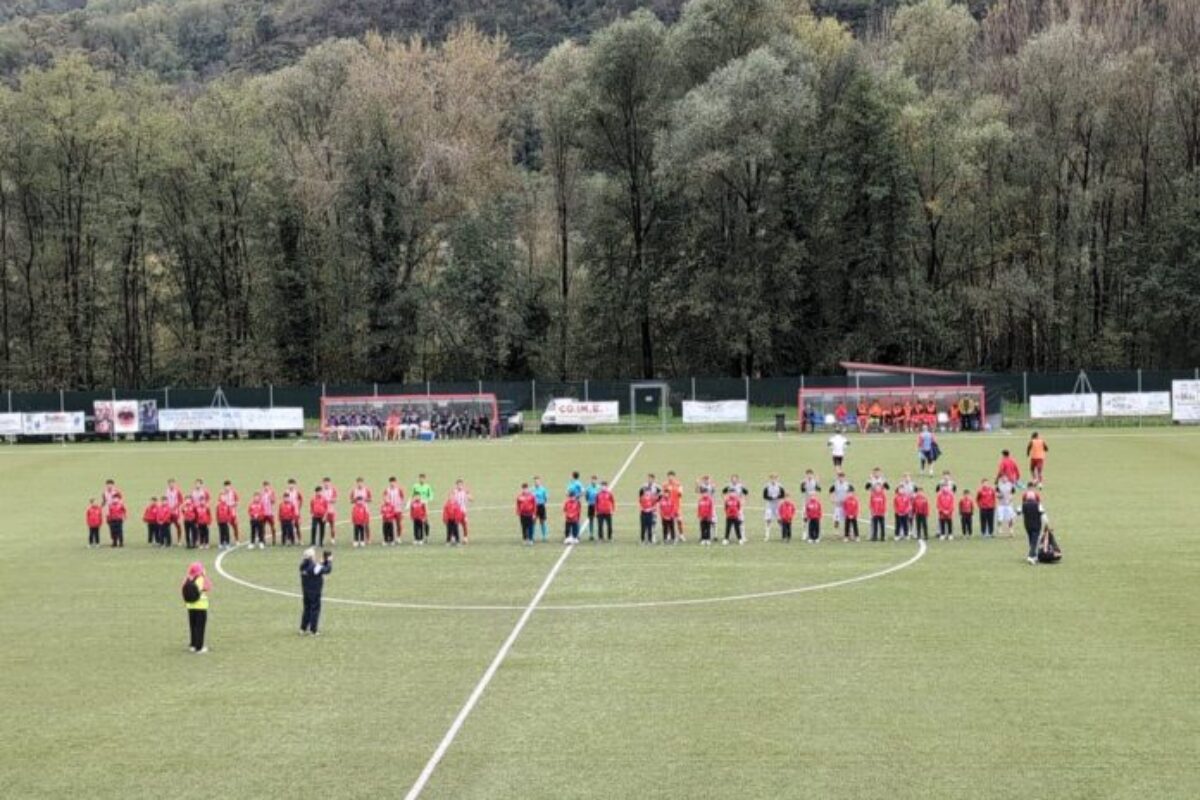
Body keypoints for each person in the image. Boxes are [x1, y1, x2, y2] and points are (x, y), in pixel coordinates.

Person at [299, 548, 333, 635]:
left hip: (306, 591)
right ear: (311, 557)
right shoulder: (314, 567)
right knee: (315, 610)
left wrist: (321, 563)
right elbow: (327, 570)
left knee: (307, 609)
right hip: (315, 591)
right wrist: (329, 561)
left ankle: (303, 628)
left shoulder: (302, 566)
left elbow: (316, 569)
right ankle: (313, 630)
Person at [181, 562, 211, 653]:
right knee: (200, 627)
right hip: (201, 606)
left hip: (190, 606)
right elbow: (209, 587)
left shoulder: (187, 579)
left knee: (193, 626)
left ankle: (193, 645)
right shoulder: (201, 579)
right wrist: (205, 575)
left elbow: (182, 589)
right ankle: (200, 647)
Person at [1020, 484, 1044, 565]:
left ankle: (1034, 555)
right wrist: (1047, 524)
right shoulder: (1038, 505)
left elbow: (1018, 512)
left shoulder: (1023, 505)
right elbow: (1043, 514)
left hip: (1027, 525)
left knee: (1031, 540)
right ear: (1034, 497)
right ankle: (1030, 557)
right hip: (1036, 525)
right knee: (1035, 541)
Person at [762, 474, 786, 542]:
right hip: (769, 505)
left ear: (777, 479)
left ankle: (783, 535)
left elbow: (783, 495)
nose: (773, 480)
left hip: (778, 505)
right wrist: (771, 498)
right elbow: (764, 496)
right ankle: (767, 536)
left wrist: (777, 497)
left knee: (780, 520)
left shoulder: (780, 486)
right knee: (768, 520)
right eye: (772, 478)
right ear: (770, 479)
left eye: (775, 478)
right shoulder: (766, 486)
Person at [664, 471, 686, 542]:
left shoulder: (678, 484)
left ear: (674, 477)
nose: (670, 478)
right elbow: (664, 494)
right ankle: (669, 535)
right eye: (669, 476)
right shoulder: (665, 485)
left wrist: (679, 491)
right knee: (669, 521)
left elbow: (680, 494)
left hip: (677, 506)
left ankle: (681, 535)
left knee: (679, 521)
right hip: (668, 507)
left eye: (671, 476)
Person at [350, 478, 370, 545]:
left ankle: (368, 538)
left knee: (366, 524)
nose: (359, 484)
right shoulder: (354, 491)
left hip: (365, 509)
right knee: (357, 525)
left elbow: (370, 499)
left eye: (361, 483)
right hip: (357, 510)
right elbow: (351, 500)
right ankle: (356, 540)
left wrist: (364, 499)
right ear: (356, 483)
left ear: (363, 483)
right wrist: (355, 500)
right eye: (358, 483)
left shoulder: (366, 490)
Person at [452, 479, 473, 544]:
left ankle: (465, 538)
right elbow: (451, 500)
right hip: (456, 512)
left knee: (464, 524)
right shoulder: (454, 492)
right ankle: (454, 537)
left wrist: (468, 494)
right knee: (455, 525)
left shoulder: (465, 492)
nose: (459, 486)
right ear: (456, 485)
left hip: (463, 511)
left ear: (463, 485)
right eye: (458, 485)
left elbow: (472, 499)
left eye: (461, 484)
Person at [219, 481, 240, 545]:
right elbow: (219, 502)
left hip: (233, 513)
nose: (227, 487)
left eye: (228, 486)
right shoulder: (222, 493)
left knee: (235, 526)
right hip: (225, 514)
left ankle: (237, 540)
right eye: (225, 486)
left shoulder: (234, 493)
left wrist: (232, 505)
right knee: (225, 528)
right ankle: (225, 540)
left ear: (230, 486)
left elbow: (237, 502)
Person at [165, 479, 184, 545]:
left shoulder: (177, 491)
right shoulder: (167, 491)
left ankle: (179, 540)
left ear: (174, 484)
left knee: (178, 526)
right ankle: (168, 541)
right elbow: (165, 500)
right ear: (168, 484)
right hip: (168, 512)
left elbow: (181, 501)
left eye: (172, 483)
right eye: (170, 484)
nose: (171, 485)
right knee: (167, 526)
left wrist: (175, 507)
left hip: (176, 512)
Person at [321, 477, 339, 546]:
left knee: (332, 526)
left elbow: (335, 500)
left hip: (331, 511)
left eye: (327, 482)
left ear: (330, 483)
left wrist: (327, 500)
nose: (326, 484)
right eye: (325, 482)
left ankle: (333, 539)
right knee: (323, 526)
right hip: (323, 512)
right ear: (323, 483)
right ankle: (322, 540)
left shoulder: (333, 490)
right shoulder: (321, 490)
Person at [532, 477, 549, 542]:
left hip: (541, 506)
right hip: (534, 507)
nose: (536, 483)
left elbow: (546, 497)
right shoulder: (532, 489)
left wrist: (542, 502)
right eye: (535, 482)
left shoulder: (543, 489)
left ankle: (544, 536)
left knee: (542, 521)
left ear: (540, 482)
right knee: (533, 521)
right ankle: (532, 536)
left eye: (537, 481)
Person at [260, 481, 277, 545]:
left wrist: (271, 498)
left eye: (267, 486)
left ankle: (274, 539)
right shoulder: (261, 493)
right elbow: (260, 503)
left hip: (270, 513)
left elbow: (273, 501)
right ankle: (263, 540)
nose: (266, 487)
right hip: (263, 513)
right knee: (262, 527)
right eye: (264, 486)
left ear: (269, 486)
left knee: (272, 527)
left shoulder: (271, 493)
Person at [584, 475, 601, 540]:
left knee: (599, 520)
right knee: (591, 520)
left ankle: (599, 534)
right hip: (591, 505)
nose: (593, 481)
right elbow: (586, 496)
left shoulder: (599, 487)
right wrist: (589, 501)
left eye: (594, 479)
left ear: (596, 480)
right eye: (592, 479)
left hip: (598, 506)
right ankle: (591, 534)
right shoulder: (588, 487)